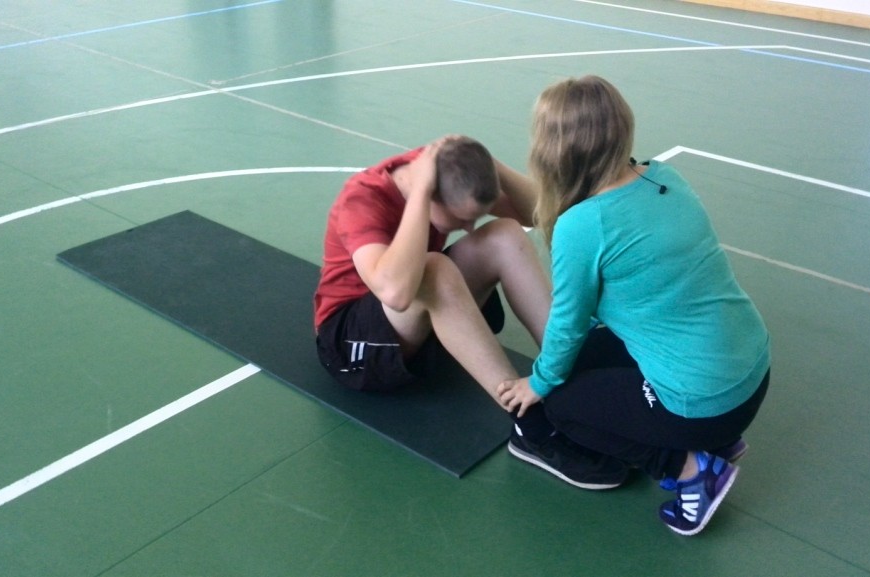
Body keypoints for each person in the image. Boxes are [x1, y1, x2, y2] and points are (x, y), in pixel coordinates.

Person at [497, 76, 771, 536]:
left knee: (560, 402)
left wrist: (538, 383)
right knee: (588, 356)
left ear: (552, 149)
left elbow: (567, 323)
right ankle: (717, 439)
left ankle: (692, 470)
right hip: (752, 369)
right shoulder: (664, 176)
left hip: (705, 400)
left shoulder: (581, 225)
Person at [313, 135, 628, 488]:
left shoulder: (445, 168)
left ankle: (575, 372)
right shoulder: (363, 198)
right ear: (429, 194)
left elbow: (542, 213)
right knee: (434, 270)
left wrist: (491, 164)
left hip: (417, 329)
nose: (468, 228)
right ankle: (531, 427)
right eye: (461, 219)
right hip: (350, 348)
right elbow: (395, 294)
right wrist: (419, 195)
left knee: (505, 234)